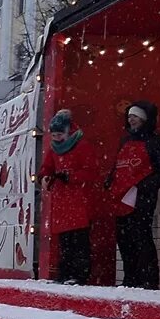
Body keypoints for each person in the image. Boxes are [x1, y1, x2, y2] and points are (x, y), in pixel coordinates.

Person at [106, 101, 160, 290]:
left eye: (134, 116)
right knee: (124, 239)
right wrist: (110, 181)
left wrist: (143, 186)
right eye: (129, 117)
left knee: (141, 237)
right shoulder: (125, 141)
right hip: (121, 197)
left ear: (144, 119)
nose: (131, 120)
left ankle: (148, 280)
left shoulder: (157, 142)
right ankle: (131, 278)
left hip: (142, 198)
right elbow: (117, 167)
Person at [39, 109, 99, 284]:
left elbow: (91, 172)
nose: (56, 138)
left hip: (78, 201)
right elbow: (46, 167)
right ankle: (66, 273)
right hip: (63, 201)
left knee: (78, 241)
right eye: (54, 135)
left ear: (67, 131)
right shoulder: (54, 148)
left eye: (58, 135)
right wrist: (45, 177)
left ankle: (79, 275)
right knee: (65, 242)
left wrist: (71, 176)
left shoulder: (82, 146)